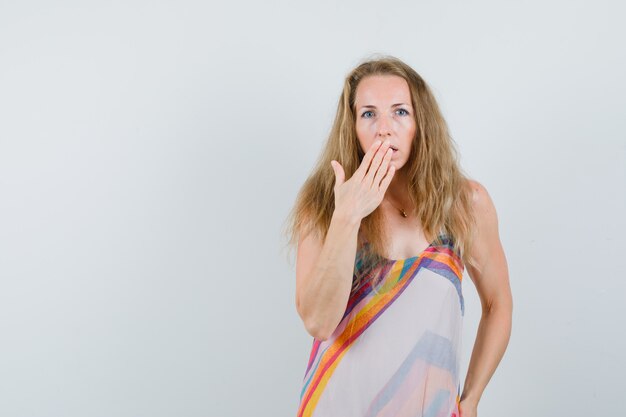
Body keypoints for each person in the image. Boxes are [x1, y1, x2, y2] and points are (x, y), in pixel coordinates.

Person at [282, 55, 512, 417]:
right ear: (353, 127)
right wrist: (348, 217)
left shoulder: (465, 203)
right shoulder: (325, 203)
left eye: (400, 112)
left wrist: (471, 398)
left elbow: (498, 304)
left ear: (422, 123)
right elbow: (318, 322)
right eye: (369, 114)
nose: (384, 128)